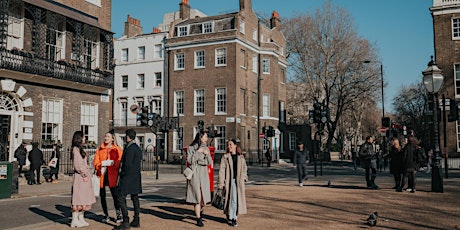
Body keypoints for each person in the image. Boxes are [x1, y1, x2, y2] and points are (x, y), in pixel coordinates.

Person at [115, 129, 142, 230]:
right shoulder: (137, 148)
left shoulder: (129, 148)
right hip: (135, 177)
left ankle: (126, 222)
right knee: (135, 197)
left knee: (121, 198)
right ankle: (136, 219)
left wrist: (122, 174)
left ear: (127, 136)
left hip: (127, 177)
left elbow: (127, 164)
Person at [93, 131, 123, 224]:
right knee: (102, 196)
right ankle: (106, 214)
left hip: (113, 175)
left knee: (115, 196)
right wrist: (100, 165)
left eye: (108, 136)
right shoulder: (100, 149)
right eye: (105, 136)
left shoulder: (117, 149)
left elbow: (119, 161)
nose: (106, 138)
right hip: (102, 175)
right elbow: (95, 162)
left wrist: (113, 163)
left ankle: (118, 214)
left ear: (112, 138)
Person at [218, 138, 248, 227]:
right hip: (228, 181)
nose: (229, 146)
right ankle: (230, 215)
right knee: (229, 199)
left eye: (231, 144)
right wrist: (221, 182)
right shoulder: (225, 157)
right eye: (228, 145)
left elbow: (244, 168)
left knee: (235, 200)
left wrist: (243, 177)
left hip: (238, 181)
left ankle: (234, 218)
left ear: (235, 146)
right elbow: (222, 170)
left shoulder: (241, 157)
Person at [186, 131, 212, 227]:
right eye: (205, 136)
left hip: (203, 174)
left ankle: (200, 211)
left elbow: (209, 161)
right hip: (195, 174)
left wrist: (205, 155)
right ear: (200, 137)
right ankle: (198, 218)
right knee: (197, 196)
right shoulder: (191, 148)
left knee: (203, 198)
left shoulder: (206, 148)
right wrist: (198, 152)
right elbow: (190, 160)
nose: (207, 138)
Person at [70, 131, 96, 228]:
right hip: (80, 178)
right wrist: (85, 173)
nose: (85, 139)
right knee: (78, 199)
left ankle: (80, 218)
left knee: (83, 199)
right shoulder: (75, 150)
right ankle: (74, 220)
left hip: (84, 178)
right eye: (83, 137)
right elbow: (78, 166)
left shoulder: (80, 149)